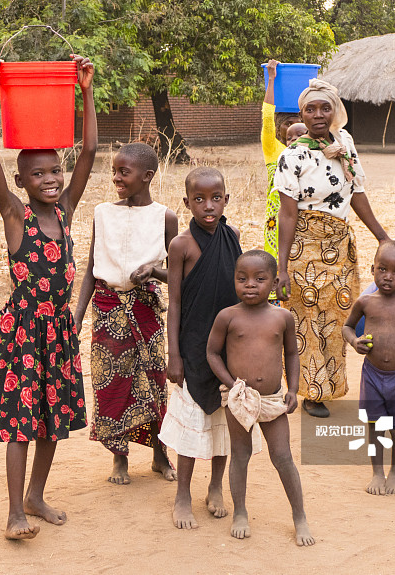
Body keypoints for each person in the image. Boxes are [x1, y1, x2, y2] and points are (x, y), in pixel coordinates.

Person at [0, 54, 96, 540]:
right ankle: (14, 512)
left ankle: (36, 495)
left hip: (59, 329)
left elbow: (89, 151)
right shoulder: (15, 216)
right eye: (38, 175)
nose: (49, 179)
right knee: (20, 424)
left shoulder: (66, 209)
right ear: (23, 183)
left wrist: (85, 91)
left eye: (54, 171)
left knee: (53, 420)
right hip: (24, 331)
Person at [275, 78, 390, 418]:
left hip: (339, 246)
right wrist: (281, 268)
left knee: (338, 315)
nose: (318, 114)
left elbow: (355, 193)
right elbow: (287, 211)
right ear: (302, 114)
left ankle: (333, 383)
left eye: (325, 107)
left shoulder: (346, 144)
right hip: (302, 247)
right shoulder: (292, 155)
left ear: (336, 110)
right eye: (310, 109)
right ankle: (311, 391)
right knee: (305, 319)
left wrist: (382, 237)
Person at [74, 142, 178, 485]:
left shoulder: (165, 217)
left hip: (145, 310)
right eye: (115, 171)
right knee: (111, 382)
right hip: (106, 309)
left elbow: (175, 273)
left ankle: (160, 455)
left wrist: (154, 272)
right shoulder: (103, 212)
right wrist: (77, 315)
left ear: (147, 176)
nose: (117, 178)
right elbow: (91, 267)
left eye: (124, 172)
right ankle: (119, 456)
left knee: (153, 383)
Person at [158, 166, 253, 530]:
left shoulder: (234, 236)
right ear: (186, 203)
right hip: (194, 346)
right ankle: (183, 494)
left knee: (225, 422)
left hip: (228, 346)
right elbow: (177, 303)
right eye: (199, 199)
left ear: (226, 199)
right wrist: (174, 354)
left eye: (216, 198)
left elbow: (242, 290)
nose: (208, 206)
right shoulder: (181, 245)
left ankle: (216, 486)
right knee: (191, 423)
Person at [206, 250, 314, 545]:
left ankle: (300, 517)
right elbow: (212, 353)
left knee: (283, 458)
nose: (250, 285)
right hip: (239, 398)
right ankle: (240, 512)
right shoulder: (227, 316)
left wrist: (293, 389)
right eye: (242, 279)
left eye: (259, 278)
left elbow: (292, 354)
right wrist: (232, 385)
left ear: (275, 281)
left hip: (273, 399)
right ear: (235, 281)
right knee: (240, 456)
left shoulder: (282, 317)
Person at [342, 240, 395, 495]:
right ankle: (377, 472)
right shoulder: (366, 302)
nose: (388, 277)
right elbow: (347, 327)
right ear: (372, 269)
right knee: (374, 425)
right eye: (382, 269)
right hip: (372, 375)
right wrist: (355, 342)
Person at [262, 59, 302, 302]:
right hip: (275, 218)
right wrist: (272, 79)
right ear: (279, 131)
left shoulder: (312, 153)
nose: (295, 133)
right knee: (276, 263)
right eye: (289, 126)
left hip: (301, 215)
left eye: (301, 128)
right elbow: (267, 116)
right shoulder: (273, 150)